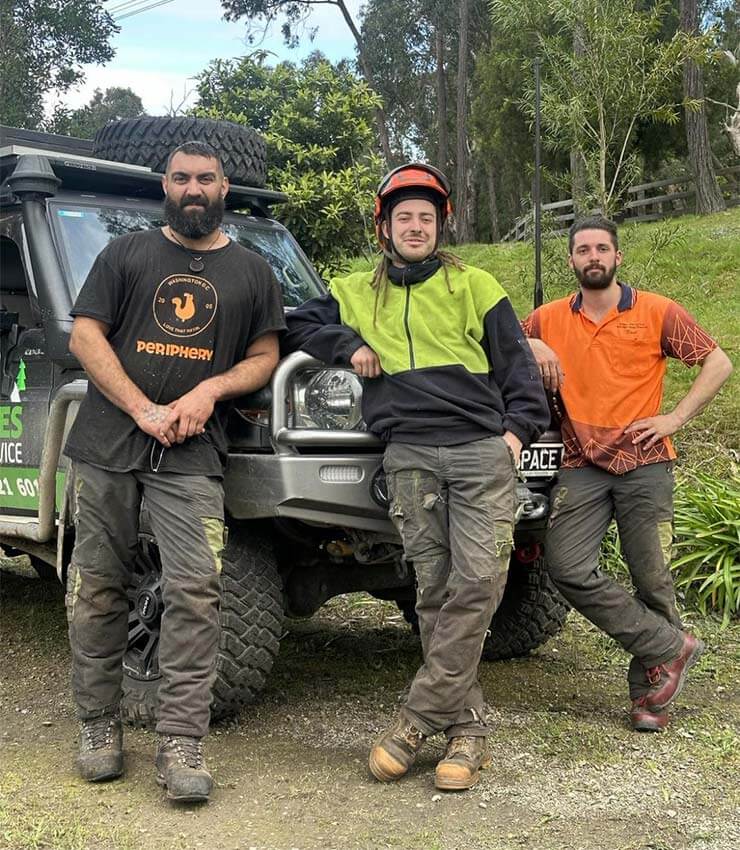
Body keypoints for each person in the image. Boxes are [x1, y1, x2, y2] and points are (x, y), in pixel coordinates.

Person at [282, 163, 549, 790]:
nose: (416, 227)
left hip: (480, 452)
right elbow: (296, 322)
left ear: (441, 225)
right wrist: (346, 346)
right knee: (432, 590)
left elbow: (518, 370)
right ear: (385, 226)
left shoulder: (475, 284)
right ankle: (468, 730)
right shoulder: (353, 289)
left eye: (426, 218)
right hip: (407, 457)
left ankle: (417, 718)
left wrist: (513, 439)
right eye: (404, 217)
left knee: (478, 582)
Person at [64, 141, 285, 802]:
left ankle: (181, 740)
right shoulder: (125, 254)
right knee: (98, 584)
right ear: (166, 184)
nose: (194, 188)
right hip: (108, 443)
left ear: (224, 188)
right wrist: (141, 407)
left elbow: (266, 355)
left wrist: (208, 392)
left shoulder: (253, 271)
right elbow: (84, 336)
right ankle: (99, 727)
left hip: (192, 451)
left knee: (195, 592)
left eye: (207, 179)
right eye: (183, 178)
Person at [523, 214, 732, 732]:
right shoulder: (547, 318)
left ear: (617, 257)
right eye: (582, 250)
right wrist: (532, 344)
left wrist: (675, 417)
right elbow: (499, 347)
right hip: (579, 465)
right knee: (566, 566)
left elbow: (718, 362)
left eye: (601, 249)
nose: (592, 257)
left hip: (646, 462)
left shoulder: (658, 311)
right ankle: (669, 646)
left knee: (652, 579)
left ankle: (649, 698)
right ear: (571, 260)